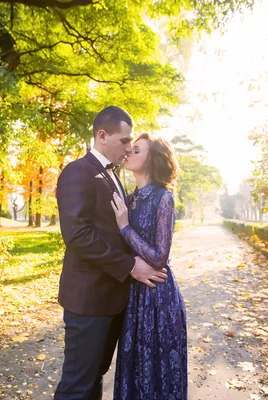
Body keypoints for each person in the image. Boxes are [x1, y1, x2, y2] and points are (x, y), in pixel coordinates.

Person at [54, 106, 168, 400]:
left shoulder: (114, 176)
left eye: (132, 142)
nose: (128, 148)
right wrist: (131, 266)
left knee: (95, 377)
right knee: (76, 385)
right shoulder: (78, 172)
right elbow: (77, 235)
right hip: (88, 300)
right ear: (102, 136)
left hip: (113, 301)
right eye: (124, 141)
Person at [111, 133, 188, 400]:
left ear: (152, 159)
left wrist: (124, 227)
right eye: (130, 149)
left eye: (137, 150)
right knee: (136, 366)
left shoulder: (163, 198)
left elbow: (159, 257)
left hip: (158, 295)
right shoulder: (128, 199)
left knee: (159, 370)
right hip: (133, 295)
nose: (129, 152)